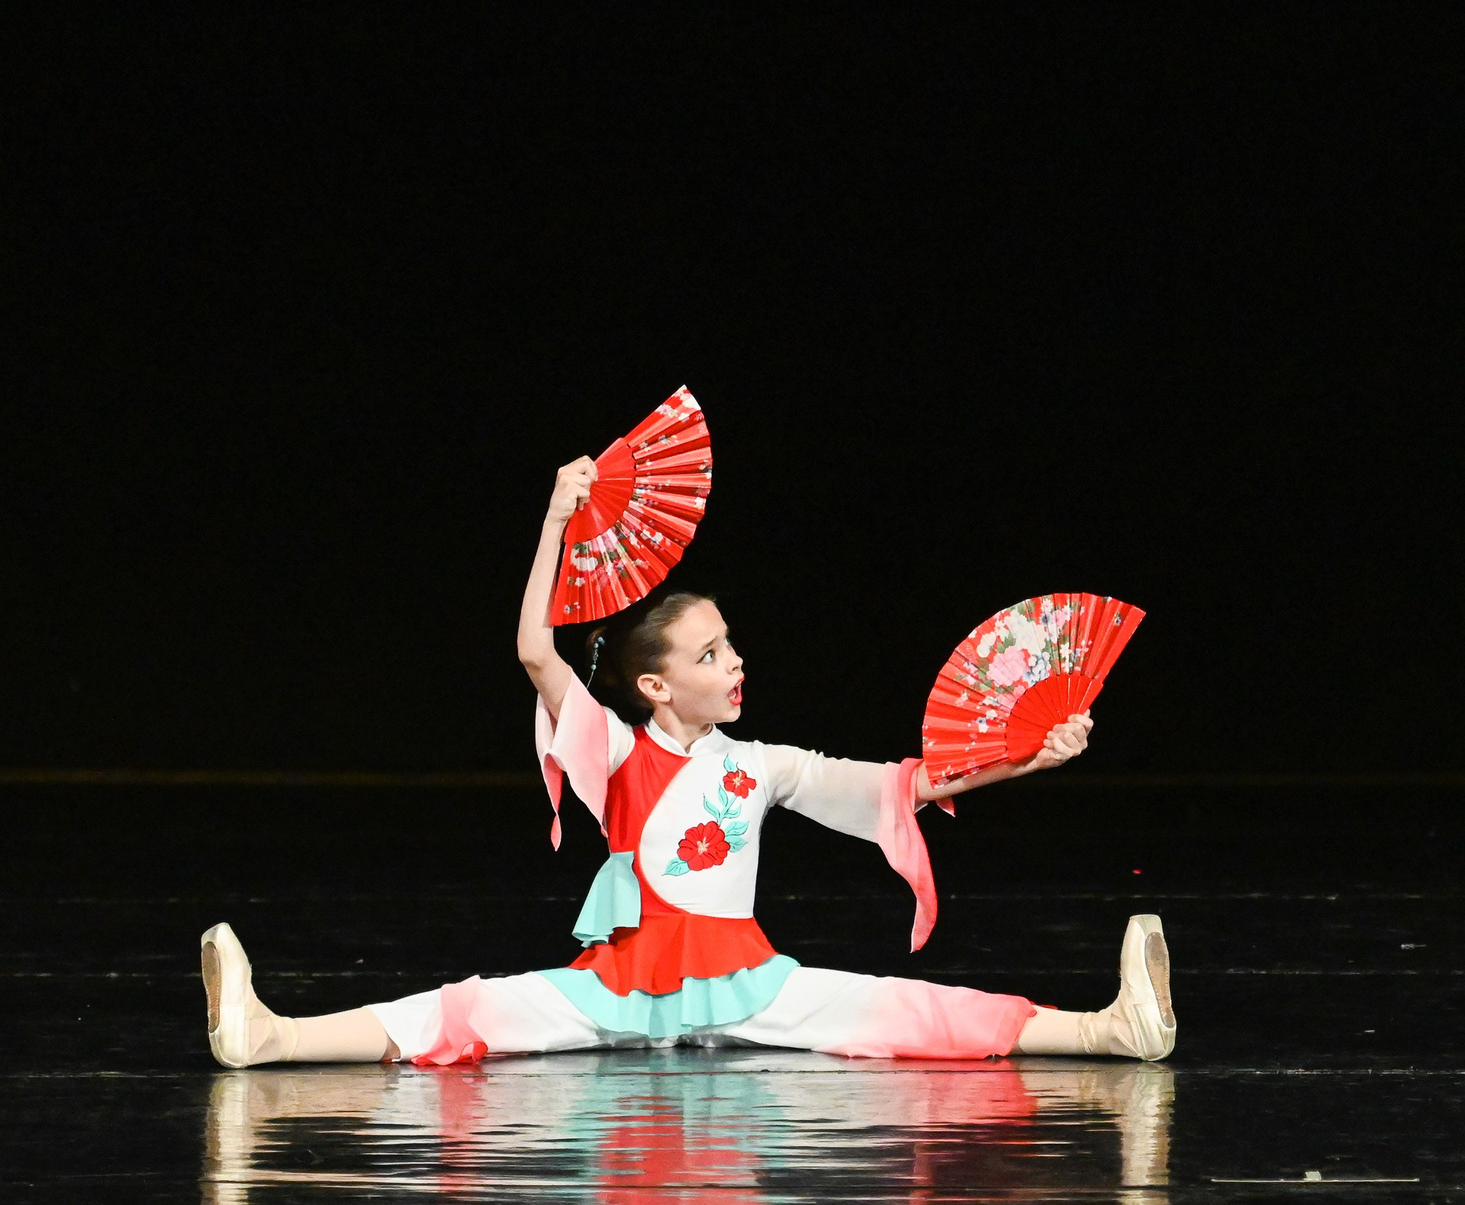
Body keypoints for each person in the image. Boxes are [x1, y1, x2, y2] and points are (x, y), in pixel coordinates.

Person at [199, 455, 1175, 1067]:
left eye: (731, 644)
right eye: (709, 654)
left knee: (913, 1011)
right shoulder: (615, 752)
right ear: (657, 686)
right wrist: (555, 516)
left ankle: (1106, 1028)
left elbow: (907, 784)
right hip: (618, 985)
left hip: (750, 979)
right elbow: (537, 653)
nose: (735, 661)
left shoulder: (760, 766)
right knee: (462, 1011)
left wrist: (1030, 756)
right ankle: (270, 1035)